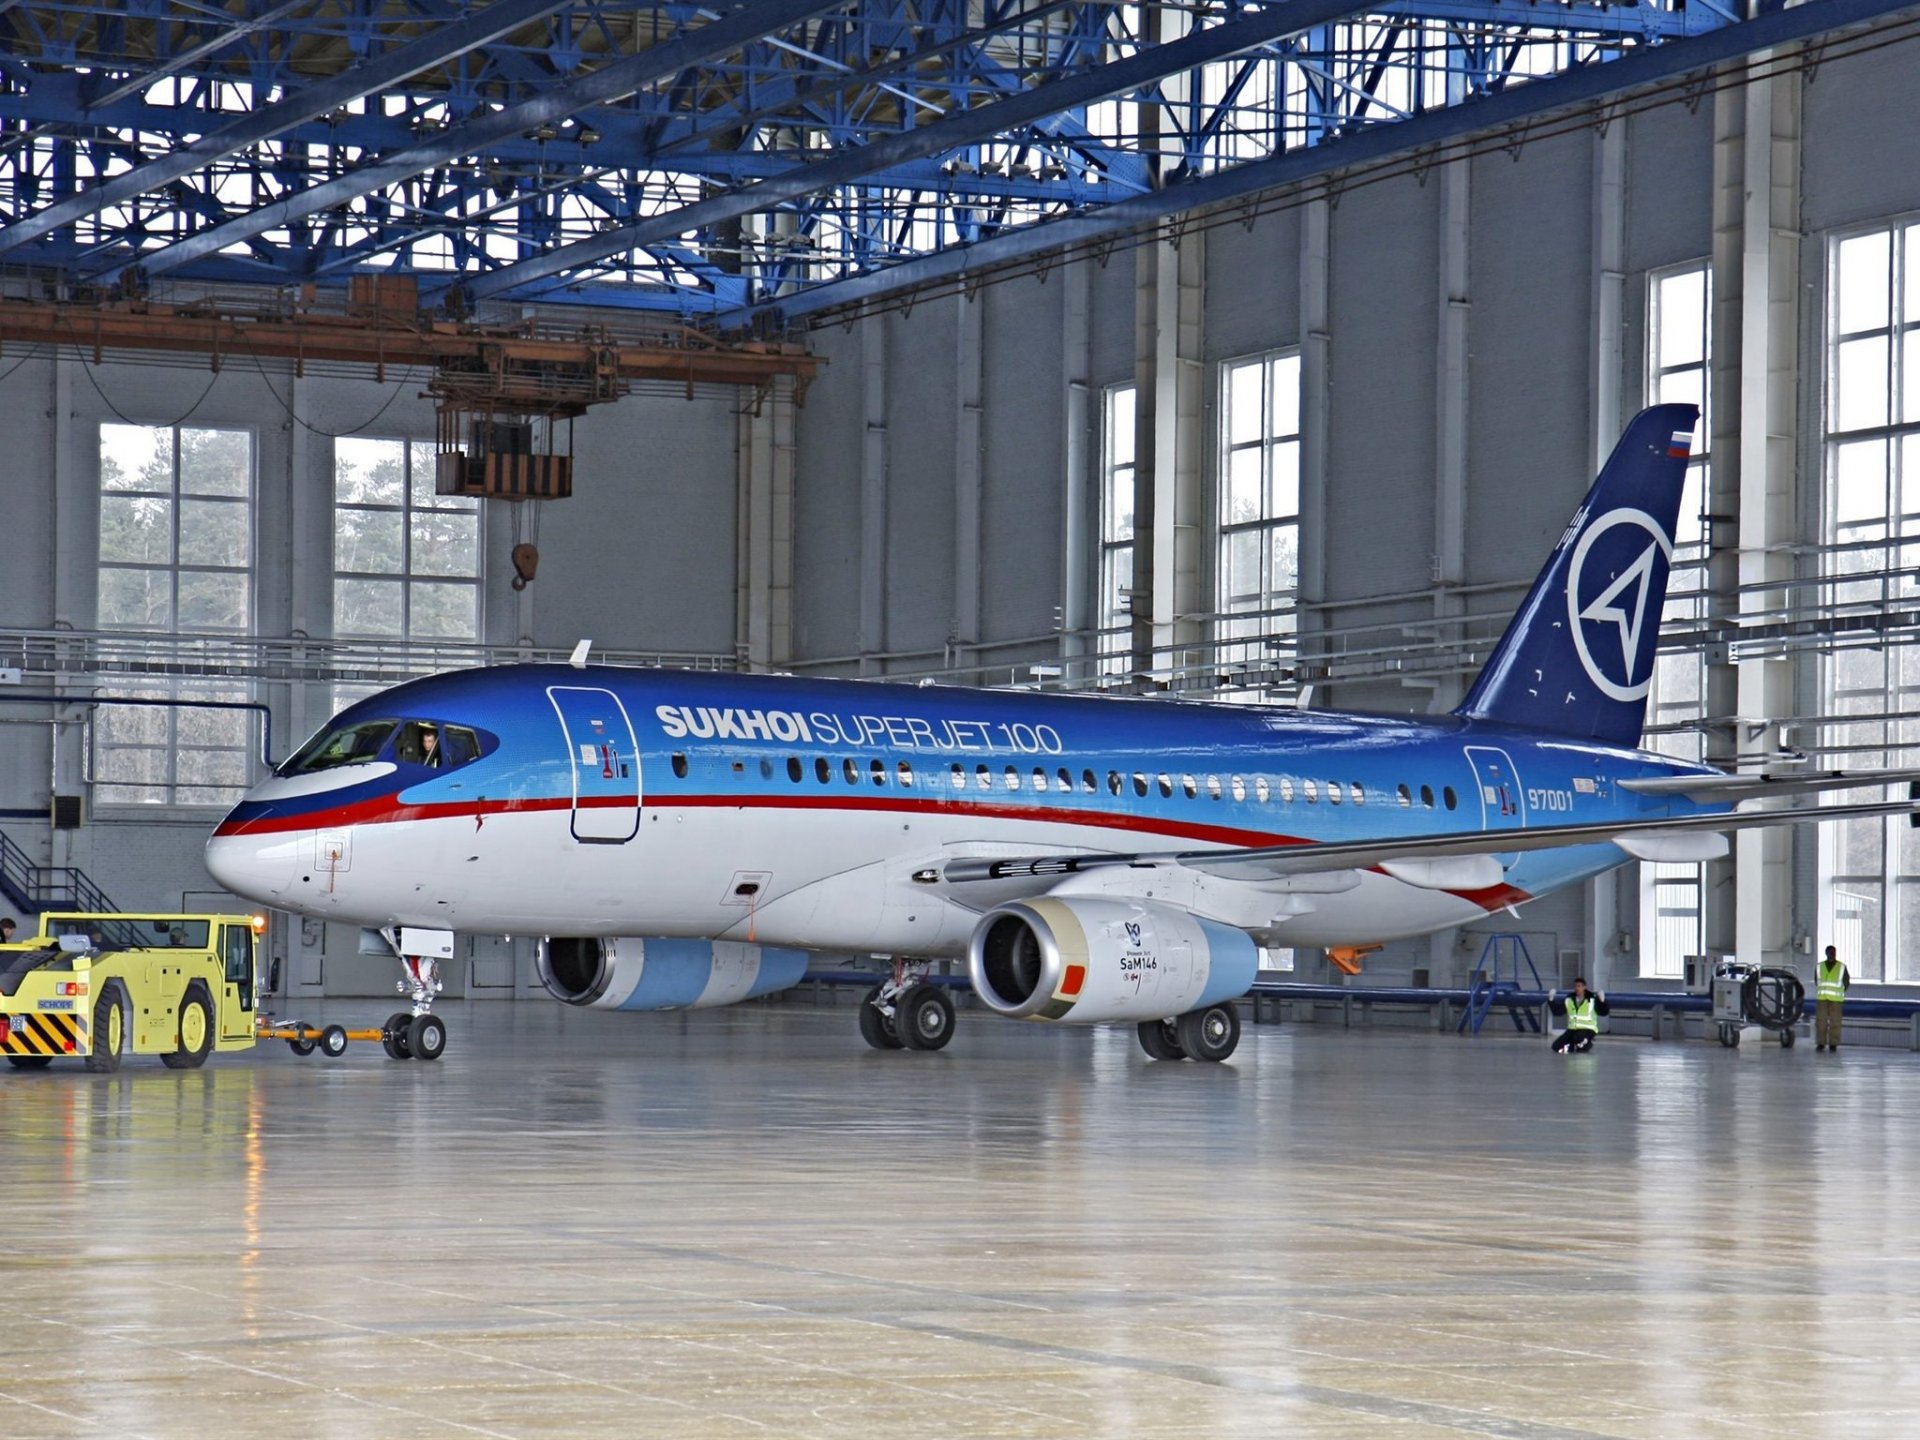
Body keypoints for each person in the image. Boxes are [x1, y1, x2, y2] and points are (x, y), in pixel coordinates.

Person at [1550, 977, 1610, 1054]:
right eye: (1575, 986)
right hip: (1572, 1029)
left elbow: (1604, 1012)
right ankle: (1570, 1047)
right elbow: (1557, 1012)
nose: (1576, 988)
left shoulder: (1592, 999)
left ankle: (1587, 1044)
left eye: (1579, 986)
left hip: (1588, 1029)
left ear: (1584, 987)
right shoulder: (1569, 999)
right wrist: (1551, 1000)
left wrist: (1603, 1001)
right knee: (1556, 1047)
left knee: (1579, 1042)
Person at [1815, 944, 1850, 1052]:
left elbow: (1846, 982)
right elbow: (1817, 980)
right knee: (1821, 1022)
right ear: (1826, 953)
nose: (1832, 954)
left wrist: (1839, 992)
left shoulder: (1841, 967)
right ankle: (1821, 1043)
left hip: (1836, 1000)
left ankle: (1833, 1044)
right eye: (1830, 952)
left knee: (1835, 1022)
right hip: (1822, 999)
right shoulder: (1819, 966)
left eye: (1833, 952)